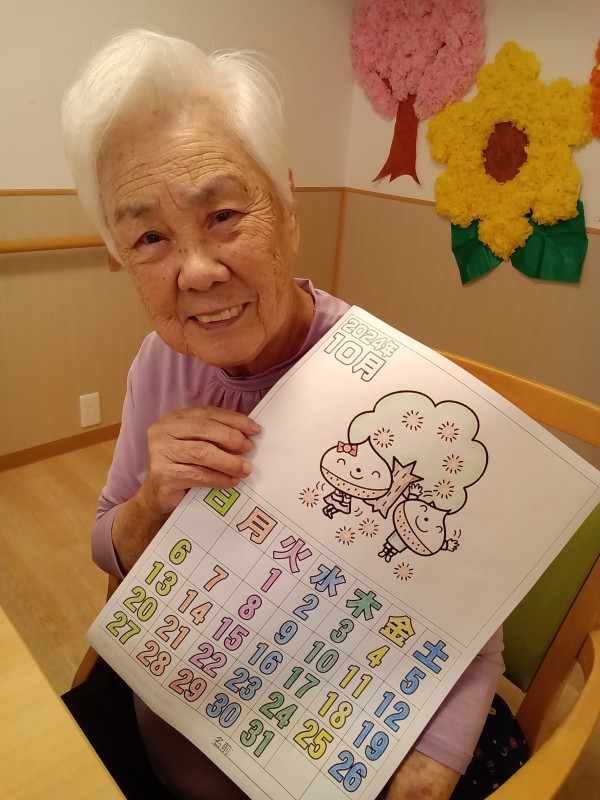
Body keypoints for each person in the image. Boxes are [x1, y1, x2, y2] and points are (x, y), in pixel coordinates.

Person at [62, 29, 505, 800]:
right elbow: (110, 545)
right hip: (165, 742)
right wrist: (150, 502)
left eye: (224, 214)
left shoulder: (397, 396)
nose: (197, 270)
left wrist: (427, 771)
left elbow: (473, 636)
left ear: (288, 210)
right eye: (150, 237)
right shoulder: (158, 362)